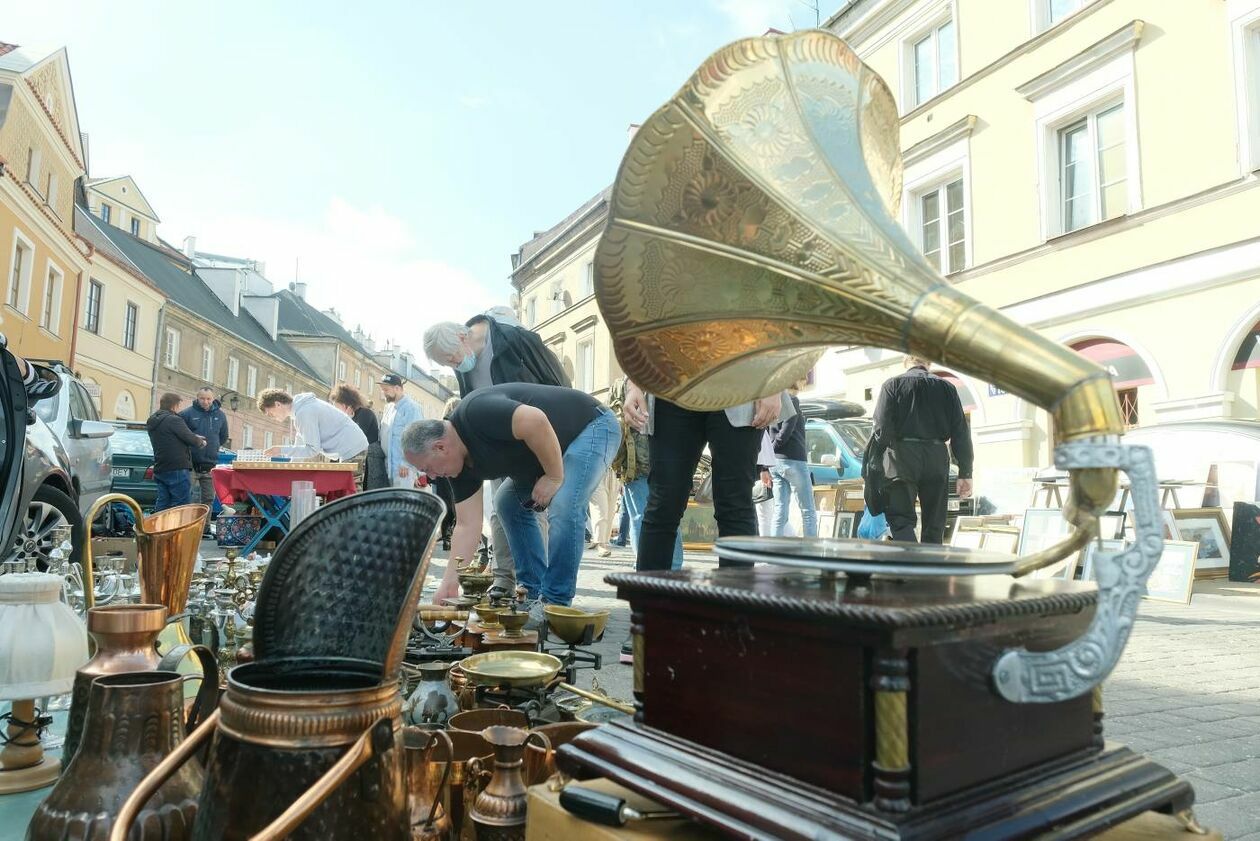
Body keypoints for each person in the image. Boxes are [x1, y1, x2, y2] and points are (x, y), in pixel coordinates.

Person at [402, 382, 620, 624]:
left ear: (440, 447)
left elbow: (536, 420)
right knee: (507, 503)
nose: (431, 477)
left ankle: (555, 604)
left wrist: (554, 476)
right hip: (548, 452)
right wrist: (448, 583)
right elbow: (467, 526)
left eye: (427, 468)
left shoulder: (475, 412)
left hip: (592, 426)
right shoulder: (458, 469)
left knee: (565, 504)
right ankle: (531, 591)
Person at [423, 311, 569, 602]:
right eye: (447, 363)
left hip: (532, 439)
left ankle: (538, 589)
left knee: (531, 508)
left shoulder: (512, 340)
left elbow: (555, 381)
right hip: (492, 442)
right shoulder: (464, 362)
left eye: (452, 358)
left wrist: (556, 446)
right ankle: (504, 578)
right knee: (499, 509)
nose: (455, 365)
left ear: (464, 336)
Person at [868, 355, 974, 544]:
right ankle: (931, 568)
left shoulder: (892, 385)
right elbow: (960, 431)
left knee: (901, 521)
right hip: (936, 455)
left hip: (900, 457)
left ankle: (909, 564)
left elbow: (881, 429)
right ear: (928, 362)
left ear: (905, 361)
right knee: (935, 523)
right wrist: (965, 471)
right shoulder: (947, 388)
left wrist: (876, 462)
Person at [609, 376, 682, 567]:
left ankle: (649, 565)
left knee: (642, 516)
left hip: (637, 461)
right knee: (660, 515)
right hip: (643, 461)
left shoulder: (623, 384)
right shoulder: (636, 383)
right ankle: (667, 568)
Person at [257, 388, 368, 463]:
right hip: (352, 447)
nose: (273, 418)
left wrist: (280, 450)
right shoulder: (300, 411)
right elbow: (300, 443)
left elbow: (312, 450)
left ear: (278, 404)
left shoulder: (304, 413)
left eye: (271, 414)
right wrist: (291, 468)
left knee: (351, 496)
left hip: (353, 448)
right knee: (348, 494)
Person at [768, 382, 817, 537]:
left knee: (780, 511)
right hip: (794, 459)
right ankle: (811, 555)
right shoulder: (792, 400)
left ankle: (773, 552)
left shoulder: (772, 399)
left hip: (775, 462)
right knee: (808, 510)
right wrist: (774, 447)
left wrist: (771, 451)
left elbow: (769, 430)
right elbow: (787, 430)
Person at [146, 392, 206, 512]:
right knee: (180, 504)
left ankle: (159, 529)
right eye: (178, 405)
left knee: (163, 501)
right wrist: (201, 442)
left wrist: (192, 436)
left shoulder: (152, 420)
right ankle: (176, 530)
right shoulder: (174, 420)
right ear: (174, 406)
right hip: (177, 467)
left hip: (161, 466)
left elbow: (170, 436)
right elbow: (189, 438)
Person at [180, 387, 230, 516]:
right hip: (190, 465)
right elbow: (180, 436)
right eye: (202, 398)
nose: (205, 401)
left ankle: (205, 528)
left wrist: (214, 446)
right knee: (185, 497)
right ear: (197, 398)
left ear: (213, 399)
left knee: (208, 499)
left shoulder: (220, 415)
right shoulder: (186, 414)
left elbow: (224, 436)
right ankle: (186, 527)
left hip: (210, 465)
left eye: (208, 399)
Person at [330, 383, 384, 489]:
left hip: (367, 463)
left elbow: (354, 439)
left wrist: (347, 419)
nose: (334, 411)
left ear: (346, 404)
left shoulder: (365, 414)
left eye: (337, 406)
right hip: (354, 462)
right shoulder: (345, 418)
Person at [378, 374, 425, 490]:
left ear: (397, 388)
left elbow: (416, 437)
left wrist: (407, 463)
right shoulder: (388, 408)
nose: (383, 393)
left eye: (386, 390)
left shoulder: (412, 408)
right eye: (382, 390)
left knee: (403, 503)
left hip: (404, 468)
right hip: (389, 466)